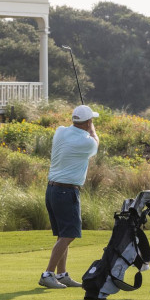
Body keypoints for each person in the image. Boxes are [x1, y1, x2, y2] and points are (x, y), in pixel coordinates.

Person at [38, 104, 100, 289]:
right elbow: (95, 142)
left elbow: (73, 129)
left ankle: (61, 274)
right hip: (66, 192)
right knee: (69, 235)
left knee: (63, 234)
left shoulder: (60, 132)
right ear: (88, 122)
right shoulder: (86, 142)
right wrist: (92, 130)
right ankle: (47, 274)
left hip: (52, 191)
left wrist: (87, 127)